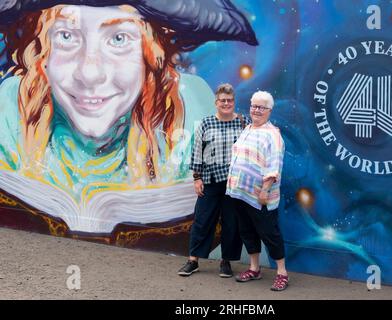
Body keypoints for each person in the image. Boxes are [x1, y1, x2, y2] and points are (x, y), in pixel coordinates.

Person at [0, 1, 257, 233]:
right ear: (40, 53)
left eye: (119, 38)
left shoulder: (188, 109)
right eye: (66, 36)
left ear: (151, 53)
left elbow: (240, 233)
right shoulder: (13, 108)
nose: (89, 74)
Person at [177, 83, 250, 278]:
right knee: (202, 220)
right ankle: (193, 261)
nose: (226, 103)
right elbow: (197, 152)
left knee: (231, 223)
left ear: (233, 102)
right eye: (222, 101)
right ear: (216, 103)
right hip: (210, 181)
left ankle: (226, 262)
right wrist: (197, 178)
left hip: (234, 183)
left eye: (229, 100)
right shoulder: (206, 123)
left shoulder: (243, 123)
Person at [226, 91, 288, 291]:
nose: (256, 110)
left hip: (261, 196)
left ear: (269, 110)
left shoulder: (273, 135)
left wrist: (265, 191)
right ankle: (254, 268)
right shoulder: (247, 129)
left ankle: (282, 273)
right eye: (254, 106)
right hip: (240, 193)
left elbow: (274, 165)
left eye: (261, 107)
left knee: (270, 233)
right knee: (247, 231)